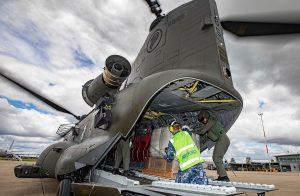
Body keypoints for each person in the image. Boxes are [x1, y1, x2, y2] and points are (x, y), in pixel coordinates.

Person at [198, 110, 230, 182]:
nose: (203, 121)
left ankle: (224, 177)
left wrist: (194, 131)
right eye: (201, 120)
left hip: (222, 139)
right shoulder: (208, 125)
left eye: (203, 119)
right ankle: (221, 176)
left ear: (206, 116)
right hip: (221, 140)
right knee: (218, 158)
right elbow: (204, 137)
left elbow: (203, 131)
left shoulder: (212, 121)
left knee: (216, 158)